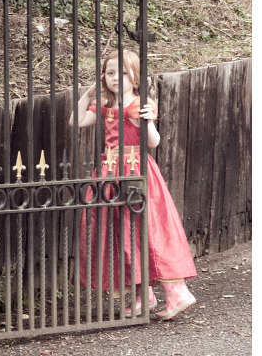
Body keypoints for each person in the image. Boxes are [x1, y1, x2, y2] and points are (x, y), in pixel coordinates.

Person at [69, 50, 196, 320]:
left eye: (123, 73)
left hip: (136, 172)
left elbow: (153, 142)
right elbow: (75, 121)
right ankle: (142, 295)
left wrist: (147, 120)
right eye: (110, 72)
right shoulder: (105, 105)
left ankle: (178, 293)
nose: (116, 78)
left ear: (135, 77)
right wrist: (87, 95)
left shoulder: (140, 103)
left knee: (144, 230)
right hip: (109, 172)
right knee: (120, 233)